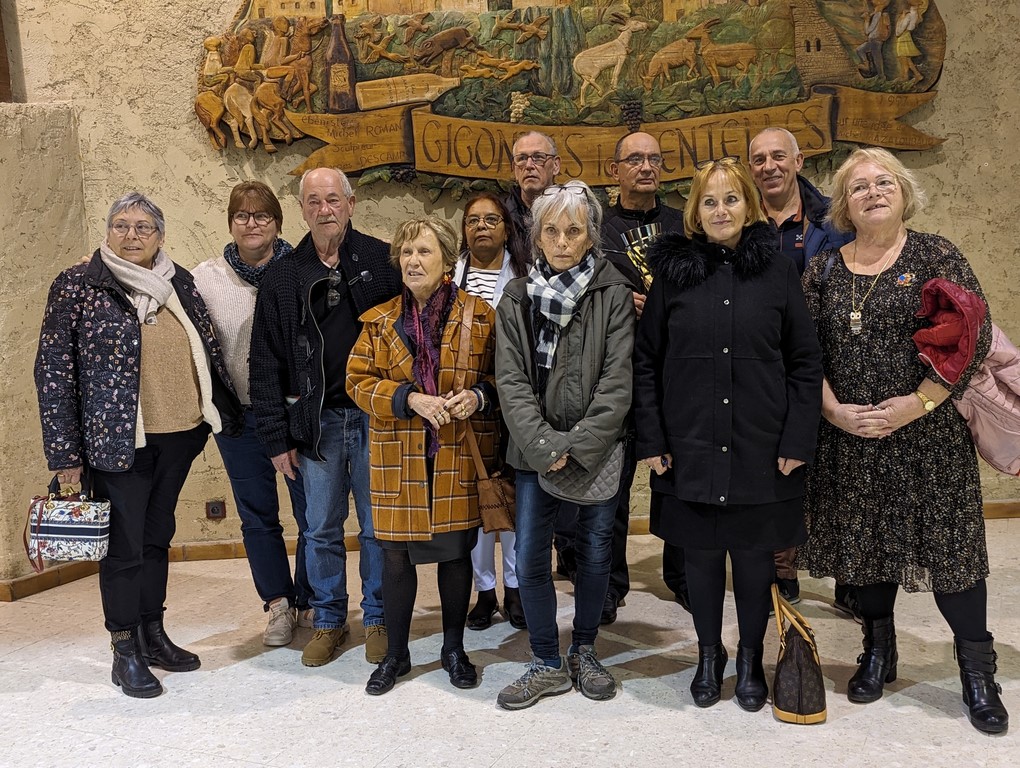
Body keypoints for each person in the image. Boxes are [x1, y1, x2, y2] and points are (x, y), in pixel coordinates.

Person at [799, 147, 1008, 734]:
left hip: (927, 438)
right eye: (858, 186)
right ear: (844, 205)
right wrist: (833, 411)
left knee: (952, 555)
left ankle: (977, 673)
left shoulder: (936, 254)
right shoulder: (824, 270)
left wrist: (917, 404)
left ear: (903, 192)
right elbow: (803, 351)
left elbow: (972, 335)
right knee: (866, 551)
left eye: (883, 182)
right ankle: (877, 650)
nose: (872, 192)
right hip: (851, 439)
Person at [35, 192, 242, 698]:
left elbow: (208, 345)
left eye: (143, 227)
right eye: (121, 226)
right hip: (115, 443)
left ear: (160, 236)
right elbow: (54, 371)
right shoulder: (79, 284)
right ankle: (124, 647)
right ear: (108, 232)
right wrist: (65, 456)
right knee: (124, 549)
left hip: (179, 435)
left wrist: (211, 415)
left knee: (156, 539)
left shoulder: (179, 281)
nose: (131, 235)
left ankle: (153, 634)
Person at [633, 159, 822, 712]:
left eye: (731, 199)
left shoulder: (779, 271)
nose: (721, 210)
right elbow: (646, 361)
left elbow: (804, 362)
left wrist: (797, 440)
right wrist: (652, 438)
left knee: (756, 560)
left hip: (760, 443)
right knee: (701, 558)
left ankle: (750, 659)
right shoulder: (672, 275)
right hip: (689, 442)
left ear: (750, 206)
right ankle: (708, 654)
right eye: (709, 202)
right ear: (695, 211)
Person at [250, 167, 401, 667]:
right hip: (316, 425)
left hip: (376, 417)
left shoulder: (381, 261)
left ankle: (378, 616)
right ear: (302, 211)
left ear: (351, 204)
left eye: (333, 199)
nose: (324, 209)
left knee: (378, 526)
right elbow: (265, 362)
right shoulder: (282, 276)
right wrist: (276, 439)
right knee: (319, 528)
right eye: (313, 201)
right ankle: (329, 619)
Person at [495, 181, 635, 710]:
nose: (561, 241)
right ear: (536, 236)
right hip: (533, 452)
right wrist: (542, 444)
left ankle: (585, 651)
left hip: (597, 451)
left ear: (590, 236)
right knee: (531, 555)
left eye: (573, 231)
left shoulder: (613, 292)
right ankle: (545, 661)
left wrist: (578, 446)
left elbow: (617, 382)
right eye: (550, 230)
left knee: (594, 553)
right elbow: (511, 380)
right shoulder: (516, 296)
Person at [347, 217, 498, 695]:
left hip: (456, 452)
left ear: (448, 260)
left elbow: (503, 378)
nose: (413, 261)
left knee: (455, 555)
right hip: (398, 455)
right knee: (394, 558)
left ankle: (453, 648)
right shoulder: (378, 321)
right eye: (406, 253)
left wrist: (478, 396)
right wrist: (407, 398)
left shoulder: (481, 317)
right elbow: (356, 382)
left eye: (424, 251)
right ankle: (397, 653)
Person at [192, 181, 310, 647]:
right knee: (257, 516)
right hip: (238, 418)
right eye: (242, 215)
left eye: (262, 215)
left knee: (312, 512)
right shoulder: (206, 278)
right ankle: (278, 604)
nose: (252, 223)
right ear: (230, 223)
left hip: (295, 413)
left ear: (278, 222)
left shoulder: (301, 269)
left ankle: (311, 598)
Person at [749, 126, 854, 611]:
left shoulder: (834, 219)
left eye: (778, 156)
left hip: (832, 358)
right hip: (767, 364)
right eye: (758, 159)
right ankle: (781, 567)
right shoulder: (741, 219)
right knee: (779, 465)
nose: (769, 166)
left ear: (798, 161)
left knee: (837, 472)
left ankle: (851, 572)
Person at [601, 130, 688, 622]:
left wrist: (663, 306)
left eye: (654, 158)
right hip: (615, 370)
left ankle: (682, 575)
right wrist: (619, 301)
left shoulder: (682, 225)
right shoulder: (597, 228)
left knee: (676, 477)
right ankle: (609, 582)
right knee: (611, 486)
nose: (646, 167)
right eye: (635, 159)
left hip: (672, 372)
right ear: (614, 170)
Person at [454, 192, 529, 632]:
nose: (481, 226)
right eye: (473, 220)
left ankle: (516, 587)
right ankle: (484, 590)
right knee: (477, 500)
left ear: (506, 228)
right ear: (464, 231)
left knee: (514, 497)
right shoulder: (450, 278)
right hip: (469, 404)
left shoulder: (526, 276)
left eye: (491, 219)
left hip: (515, 400)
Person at [504, 131, 561, 273]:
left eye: (538, 157)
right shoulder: (502, 217)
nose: (529, 165)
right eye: (522, 158)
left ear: (555, 165)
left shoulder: (573, 214)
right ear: (514, 168)